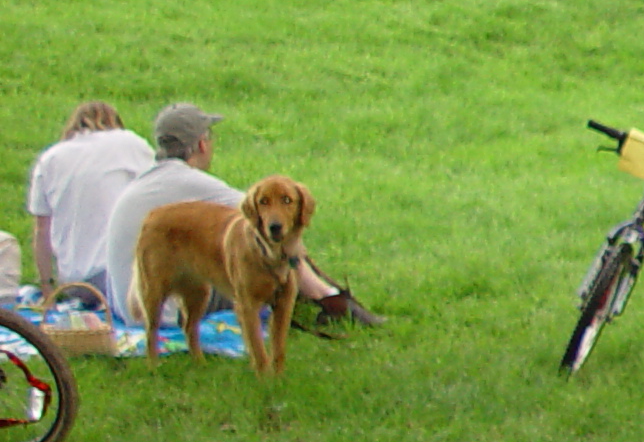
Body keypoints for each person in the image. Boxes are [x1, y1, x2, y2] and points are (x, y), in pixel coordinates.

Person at [102, 104, 382, 332]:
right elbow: (268, 223)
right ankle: (330, 301)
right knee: (269, 252)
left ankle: (324, 298)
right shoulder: (191, 183)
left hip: (126, 307)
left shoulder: (143, 182)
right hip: (163, 312)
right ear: (201, 144)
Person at [26, 101, 153, 304]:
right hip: (118, 278)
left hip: (75, 284)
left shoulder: (50, 158)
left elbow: (41, 230)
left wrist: (47, 286)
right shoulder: (130, 144)